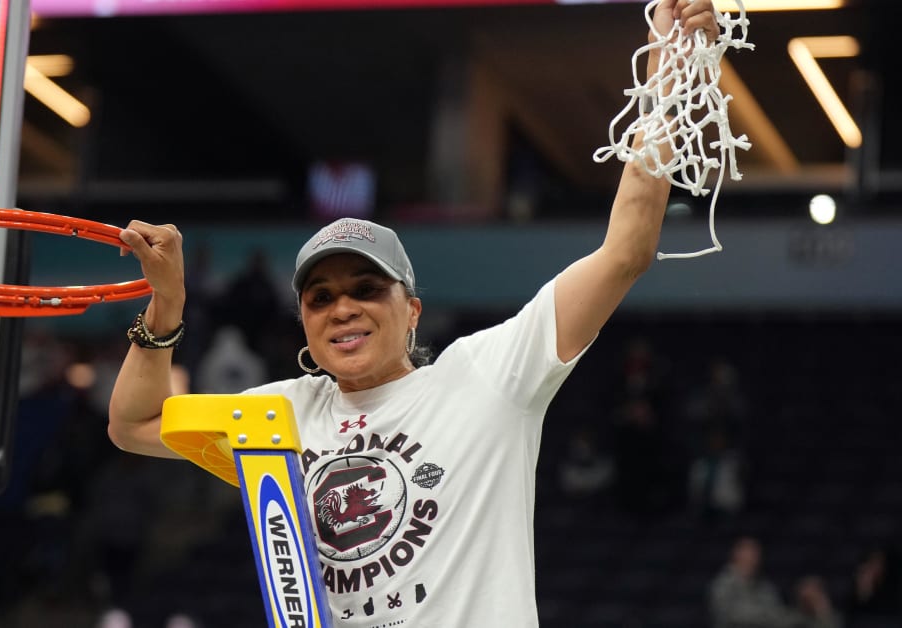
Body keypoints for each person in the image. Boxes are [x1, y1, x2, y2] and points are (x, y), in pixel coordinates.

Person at [107, 1, 720, 625]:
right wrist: (167, 304)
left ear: (413, 311)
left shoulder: (488, 375)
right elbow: (134, 424)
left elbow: (625, 252)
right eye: (320, 298)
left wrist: (667, 66)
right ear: (304, 326)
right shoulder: (279, 415)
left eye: (367, 289)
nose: (342, 308)